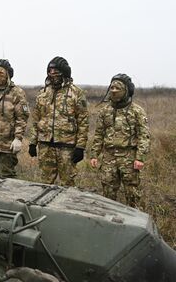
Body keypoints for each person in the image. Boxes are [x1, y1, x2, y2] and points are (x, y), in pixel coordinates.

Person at [89, 74, 150, 208]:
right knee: (108, 193)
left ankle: (135, 221)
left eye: (118, 88)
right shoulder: (105, 111)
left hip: (129, 157)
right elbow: (99, 134)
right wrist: (94, 154)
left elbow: (144, 136)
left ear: (127, 90)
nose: (114, 90)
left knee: (132, 193)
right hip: (109, 157)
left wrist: (140, 157)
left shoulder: (137, 111)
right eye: (112, 87)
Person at [28, 56, 89, 186]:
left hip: (67, 146)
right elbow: (36, 119)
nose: (52, 74)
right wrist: (32, 142)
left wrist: (80, 147)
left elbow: (83, 122)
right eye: (50, 72)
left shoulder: (76, 93)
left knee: (67, 183)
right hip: (45, 145)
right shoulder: (43, 93)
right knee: (45, 183)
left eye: (56, 72)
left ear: (64, 72)